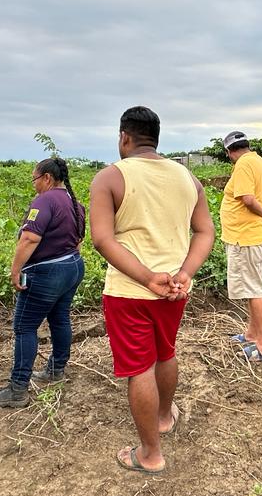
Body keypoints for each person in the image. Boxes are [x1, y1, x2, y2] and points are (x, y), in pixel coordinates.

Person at [90, 106, 215, 474]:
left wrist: (146, 278)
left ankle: (150, 455)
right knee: (165, 353)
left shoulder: (110, 177)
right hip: (174, 290)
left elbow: (102, 239)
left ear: (124, 137)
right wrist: (185, 273)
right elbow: (205, 231)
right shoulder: (188, 178)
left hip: (129, 292)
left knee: (139, 368)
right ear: (156, 139)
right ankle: (163, 417)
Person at [0, 157, 87, 408]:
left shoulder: (44, 201)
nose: (34, 185)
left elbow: (29, 238)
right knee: (60, 318)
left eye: (34, 179)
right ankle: (56, 369)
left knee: (24, 326)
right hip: (72, 267)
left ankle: (17, 389)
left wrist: (15, 270)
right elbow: (79, 241)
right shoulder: (75, 203)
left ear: (47, 178)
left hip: (47, 272)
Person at [220, 132, 262, 361]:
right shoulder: (259, 161)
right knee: (251, 287)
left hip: (245, 237)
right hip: (248, 236)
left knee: (254, 289)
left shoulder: (244, 164)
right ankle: (251, 334)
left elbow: (247, 199)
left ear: (229, 152)